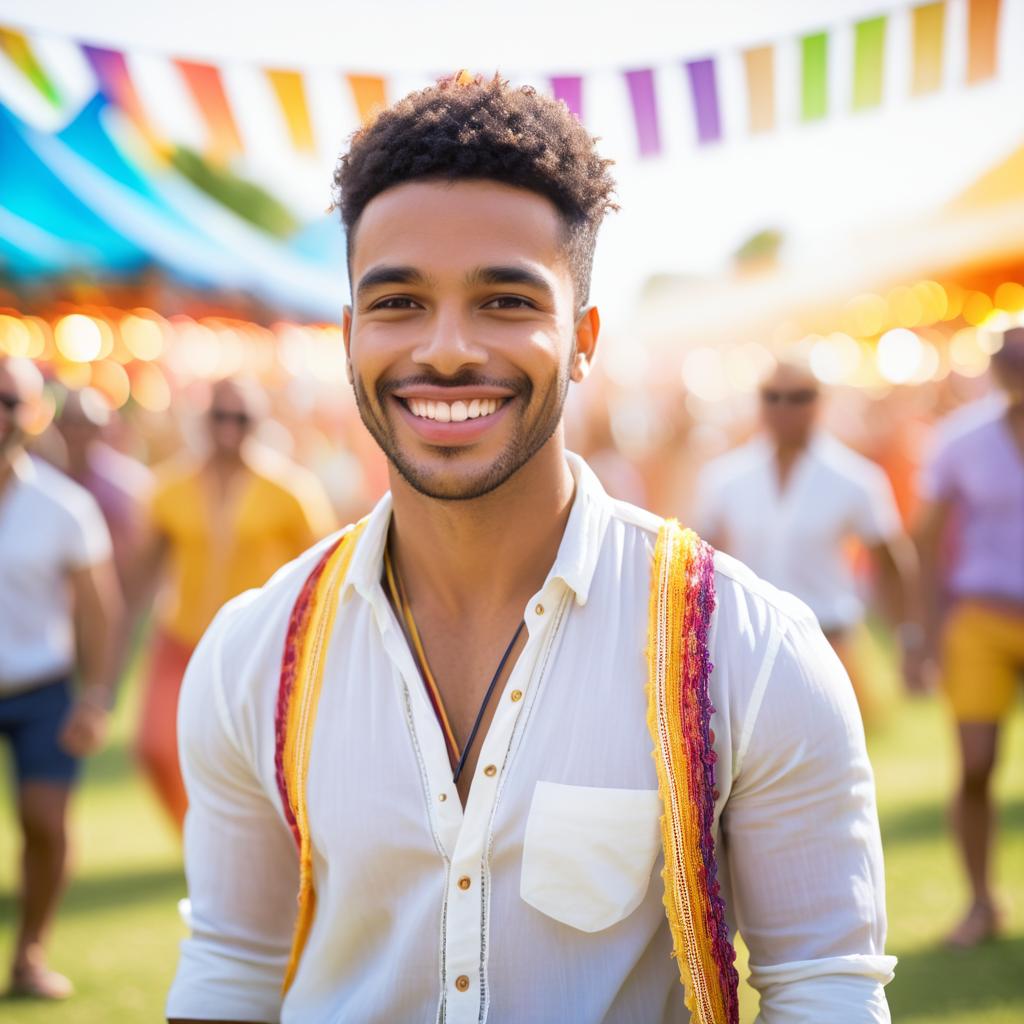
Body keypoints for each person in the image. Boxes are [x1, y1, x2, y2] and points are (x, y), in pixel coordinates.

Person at [167, 76, 895, 1024]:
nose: (448, 350)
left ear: (583, 338)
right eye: (398, 302)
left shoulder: (749, 651)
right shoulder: (253, 653)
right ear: (349, 337)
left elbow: (823, 988)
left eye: (506, 301)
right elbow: (229, 968)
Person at [123, 377, 336, 830]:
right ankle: (198, 832)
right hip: (181, 638)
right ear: (204, 419)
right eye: (220, 415)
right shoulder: (170, 487)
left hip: (257, 646)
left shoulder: (290, 490)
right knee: (154, 745)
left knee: (255, 759)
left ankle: (244, 842)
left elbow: (324, 572)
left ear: (257, 422)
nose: (229, 426)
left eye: (240, 417)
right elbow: (141, 575)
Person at [695, 358, 922, 717]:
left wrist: (909, 640)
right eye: (773, 397)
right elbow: (698, 559)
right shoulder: (724, 478)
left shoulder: (855, 478)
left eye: (799, 397)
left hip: (827, 641)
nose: (784, 408)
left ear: (819, 401)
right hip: (747, 644)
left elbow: (891, 562)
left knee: (828, 762)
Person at [0, 357, 121, 1000]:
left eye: (9, 402)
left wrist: (97, 696)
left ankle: (29, 955)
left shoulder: (64, 506)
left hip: (42, 689)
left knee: (45, 824)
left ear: (32, 413)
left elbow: (102, 613)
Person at [916, 326, 1024, 948]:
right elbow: (927, 540)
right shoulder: (960, 440)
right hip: (982, 617)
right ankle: (982, 902)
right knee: (978, 763)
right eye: (1008, 358)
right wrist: (925, 635)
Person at [56, 387, 153, 589]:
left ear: (101, 429)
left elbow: (138, 554)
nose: (76, 432)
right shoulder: (48, 476)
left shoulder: (123, 485)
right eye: (70, 422)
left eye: (85, 425)